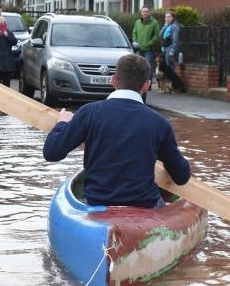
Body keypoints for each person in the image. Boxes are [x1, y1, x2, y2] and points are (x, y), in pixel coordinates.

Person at [43, 54, 191, 208]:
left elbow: (52, 153)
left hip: (97, 203)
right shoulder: (160, 123)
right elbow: (181, 176)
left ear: (113, 80)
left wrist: (62, 124)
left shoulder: (89, 112)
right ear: (147, 85)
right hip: (144, 207)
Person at [159, 10, 186, 93]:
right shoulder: (167, 25)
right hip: (165, 49)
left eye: (169, 17)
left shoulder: (174, 26)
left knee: (170, 69)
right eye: (166, 17)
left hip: (170, 50)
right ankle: (168, 87)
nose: (167, 18)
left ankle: (173, 86)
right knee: (168, 69)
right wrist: (164, 26)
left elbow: (175, 40)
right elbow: (160, 34)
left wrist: (172, 50)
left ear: (173, 17)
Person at [131, 6, 160, 81]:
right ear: (141, 13)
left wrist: (149, 44)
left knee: (148, 67)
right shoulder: (137, 22)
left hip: (149, 50)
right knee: (138, 66)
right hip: (139, 49)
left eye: (147, 11)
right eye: (143, 11)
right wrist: (135, 41)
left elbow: (156, 36)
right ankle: (138, 83)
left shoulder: (154, 23)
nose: (145, 13)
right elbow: (134, 33)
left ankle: (148, 84)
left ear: (149, 12)